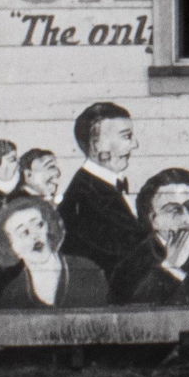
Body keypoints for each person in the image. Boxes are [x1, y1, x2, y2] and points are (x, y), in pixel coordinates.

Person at [109, 169, 189, 306]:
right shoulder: (131, 265)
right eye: (175, 210)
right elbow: (132, 315)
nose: (188, 220)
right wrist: (171, 268)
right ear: (153, 219)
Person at [58, 102, 146, 279]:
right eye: (126, 136)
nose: (135, 144)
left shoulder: (98, 186)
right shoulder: (85, 198)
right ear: (97, 145)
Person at [0, 197, 109, 309]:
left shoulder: (87, 271)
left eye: (39, 225)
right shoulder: (11, 296)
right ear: (9, 246)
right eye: (24, 232)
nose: (35, 235)